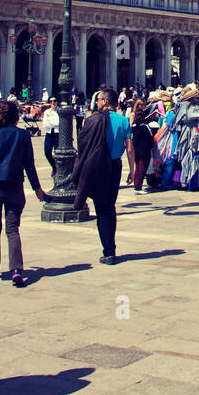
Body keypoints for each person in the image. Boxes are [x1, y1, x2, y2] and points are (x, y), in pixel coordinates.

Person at [0, 100, 46, 286]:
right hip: (15, 186)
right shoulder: (23, 135)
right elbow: (29, 165)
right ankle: (16, 269)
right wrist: (37, 189)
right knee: (12, 229)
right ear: (16, 116)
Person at [73, 87, 124, 263]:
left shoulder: (92, 120)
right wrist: (132, 171)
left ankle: (108, 251)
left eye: (99, 99)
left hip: (98, 167)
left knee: (101, 209)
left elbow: (83, 145)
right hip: (115, 167)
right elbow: (129, 147)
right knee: (110, 207)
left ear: (105, 101)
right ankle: (112, 247)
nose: (97, 102)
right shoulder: (123, 120)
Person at [42, 97, 59, 177]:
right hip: (49, 133)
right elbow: (45, 124)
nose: (53, 103)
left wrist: (51, 122)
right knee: (47, 152)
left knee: (57, 152)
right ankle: (54, 166)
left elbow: (59, 123)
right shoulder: (47, 112)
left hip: (57, 133)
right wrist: (53, 123)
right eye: (51, 101)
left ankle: (58, 169)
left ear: (57, 102)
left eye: (54, 101)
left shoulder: (60, 111)